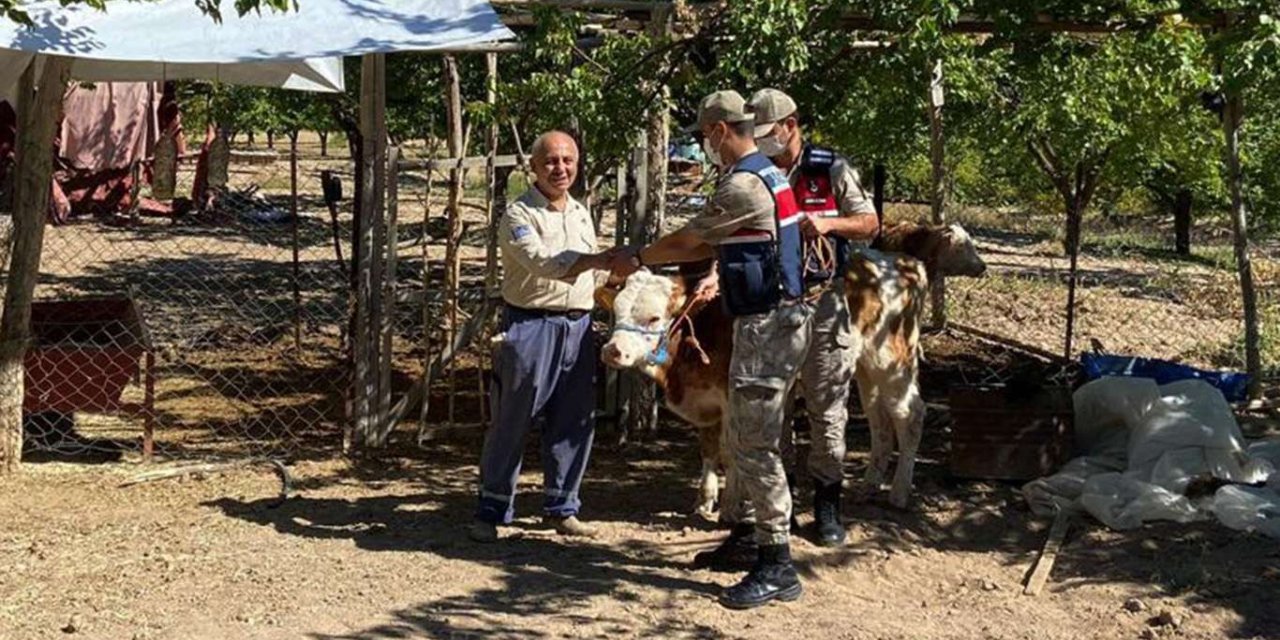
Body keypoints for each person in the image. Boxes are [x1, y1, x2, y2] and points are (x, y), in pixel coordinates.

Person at [615, 90, 811, 610]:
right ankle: (748, 535)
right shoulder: (770, 173)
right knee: (747, 435)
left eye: (704, 136)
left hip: (767, 327)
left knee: (753, 444)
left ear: (720, 131)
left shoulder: (746, 184)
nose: (704, 145)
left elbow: (694, 243)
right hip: (772, 319)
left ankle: (777, 563)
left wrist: (633, 256)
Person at [469, 130, 625, 544]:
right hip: (530, 325)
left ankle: (562, 505)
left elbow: (592, 275)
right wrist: (595, 259)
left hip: (578, 326)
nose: (561, 168)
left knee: (574, 419)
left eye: (568, 160)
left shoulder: (580, 211)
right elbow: (542, 263)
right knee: (512, 419)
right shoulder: (520, 215)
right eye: (551, 161)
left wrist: (618, 271)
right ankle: (492, 507)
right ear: (534, 167)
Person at [750, 88, 880, 547]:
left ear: (791, 124)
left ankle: (827, 503)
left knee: (827, 410)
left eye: (769, 133)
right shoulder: (754, 172)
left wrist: (827, 224)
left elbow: (869, 223)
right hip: (771, 305)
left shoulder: (831, 169)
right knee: (772, 408)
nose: (764, 142)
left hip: (825, 305)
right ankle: (778, 504)